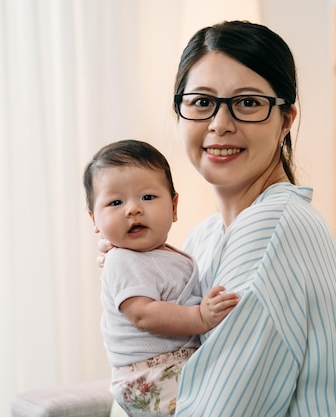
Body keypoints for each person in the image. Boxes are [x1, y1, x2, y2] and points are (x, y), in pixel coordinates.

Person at [101, 21, 336, 416]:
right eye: (201, 102)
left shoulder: (272, 232)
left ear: (286, 119)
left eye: (248, 102)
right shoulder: (205, 236)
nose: (220, 124)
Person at [83, 139, 240, 416]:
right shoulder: (120, 259)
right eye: (116, 202)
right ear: (94, 219)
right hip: (149, 375)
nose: (132, 209)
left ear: (174, 206)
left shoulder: (168, 256)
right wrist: (200, 318)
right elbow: (144, 314)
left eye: (147, 197)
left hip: (170, 367)